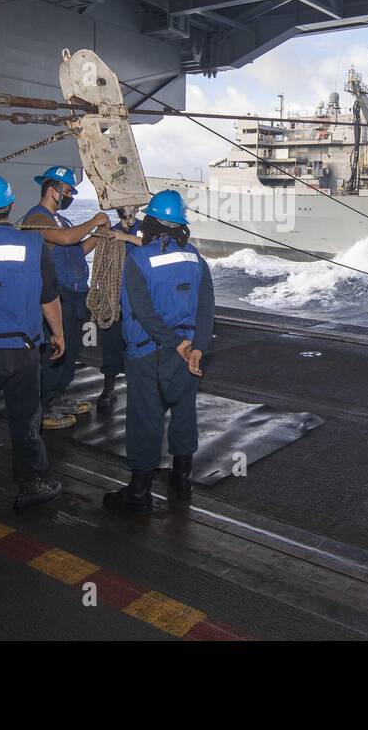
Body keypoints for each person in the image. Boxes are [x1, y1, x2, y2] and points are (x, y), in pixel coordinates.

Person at [0, 172, 67, 511]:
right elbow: (48, 298)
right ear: (10, 205)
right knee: (25, 419)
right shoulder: (33, 245)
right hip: (21, 350)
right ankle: (31, 482)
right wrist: (59, 334)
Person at [103, 190, 214, 514]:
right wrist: (197, 349)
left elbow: (143, 311)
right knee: (184, 412)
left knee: (145, 419)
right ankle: (181, 480)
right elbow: (207, 308)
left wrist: (173, 343)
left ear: (149, 222)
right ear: (181, 225)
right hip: (186, 354)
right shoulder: (196, 258)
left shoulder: (137, 259)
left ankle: (139, 492)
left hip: (147, 353)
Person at [21, 165, 107, 427]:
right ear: (52, 190)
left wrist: (98, 236)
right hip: (57, 295)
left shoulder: (63, 221)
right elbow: (67, 239)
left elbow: (77, 249)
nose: (70, 197)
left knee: (69, 350)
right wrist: (94, 220)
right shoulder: (36, 218)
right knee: (54, 349)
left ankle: (57, 395)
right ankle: (43, 404)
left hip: (76, 293)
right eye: (67, 191)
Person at [94, 207, 142, 412]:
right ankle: (109, 386)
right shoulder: (110, 233)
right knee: (111, 341)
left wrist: (125, 237)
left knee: (139, 345)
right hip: (115, 300)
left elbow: (156, 246)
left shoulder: (145, 231)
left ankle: (139, 387)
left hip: (138, 302)